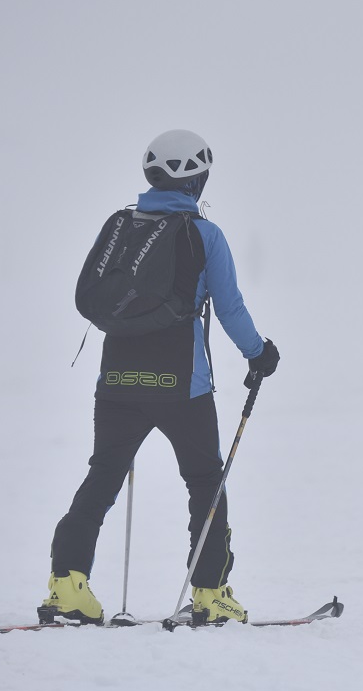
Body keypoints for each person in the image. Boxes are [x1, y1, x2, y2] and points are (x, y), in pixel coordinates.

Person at [42, 130, 280, 626]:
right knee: (204, 484)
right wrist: (258, 354)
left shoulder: (121, 225)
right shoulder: (203, 233)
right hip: (182, 386)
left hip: (116, 384)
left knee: (103, 476)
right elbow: (230, 307)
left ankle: (67, 590)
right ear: (198, 177)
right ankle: (210, 594)